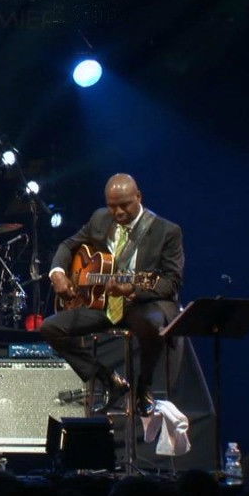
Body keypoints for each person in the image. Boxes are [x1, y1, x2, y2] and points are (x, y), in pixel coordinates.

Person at [40, 174, 183, 414]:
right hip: (104, 304)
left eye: (124, 205)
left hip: (141, 303)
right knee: (50, 328)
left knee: (152, 324)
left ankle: (143, 387)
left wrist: (133, 289)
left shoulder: (167, 231)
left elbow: (171, 283)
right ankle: (108, 380)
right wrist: (57, 273)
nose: (117, 212)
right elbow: (67, 245)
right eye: (112, 205)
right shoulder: (99, 219)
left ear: (138, 197)